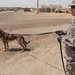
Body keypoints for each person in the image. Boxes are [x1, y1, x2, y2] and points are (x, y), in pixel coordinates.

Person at [62, 0, 75, 75]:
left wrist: (62, 40)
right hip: (70, 56)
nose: (71, 9)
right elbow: (72, 30)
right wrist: (63, 31)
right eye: (71, 7)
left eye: (73, 7)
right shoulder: (74, 19)